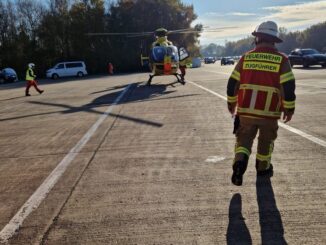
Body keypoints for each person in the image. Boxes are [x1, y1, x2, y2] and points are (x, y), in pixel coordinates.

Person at [226, 21, 296, 186]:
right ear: (274, 41)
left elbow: (232, 83)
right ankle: (263, 168)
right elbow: (288, 86)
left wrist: (232, 103)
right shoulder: (282, 60)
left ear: (257, 38)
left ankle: (240, 162)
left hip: (246, 112)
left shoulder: (246, 57)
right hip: (269, 114)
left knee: (243, 140)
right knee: (266, 142)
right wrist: (289, 108)